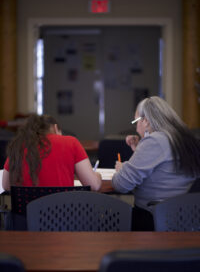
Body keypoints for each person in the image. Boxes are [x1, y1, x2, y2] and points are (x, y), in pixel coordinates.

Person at [112, 96, 200, 230]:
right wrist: (139, 151)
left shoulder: (155, 141)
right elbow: (163, 170)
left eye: (136, 121)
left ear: (146, 121)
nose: (136, 129)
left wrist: (122, 169)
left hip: (154, 218)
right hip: (184, 218)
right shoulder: (183, 137)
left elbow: (121, 185)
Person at [2, 114, 102, 191]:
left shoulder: (19, 145)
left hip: (26, 215)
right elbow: (94, 185)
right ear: (55, 128)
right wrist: (97, 175)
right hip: (63, 214)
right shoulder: (71, 142)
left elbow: (6, 185)